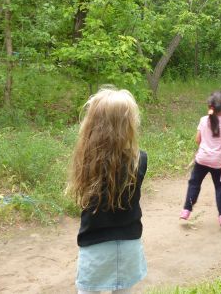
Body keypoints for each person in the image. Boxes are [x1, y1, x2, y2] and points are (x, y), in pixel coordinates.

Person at [69, 88, 147, 294]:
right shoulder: (140, 160)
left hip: (95, 247)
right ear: (128, 124)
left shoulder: (86, 160)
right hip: (129, 243)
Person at [179, 91, 221, 227]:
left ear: (210, 107)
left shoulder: (203, 120)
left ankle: (186, 210)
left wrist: (205, 147)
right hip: (217, 162)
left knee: (194, 184)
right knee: (220, 188)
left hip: (201, 159)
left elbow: (197, 139)